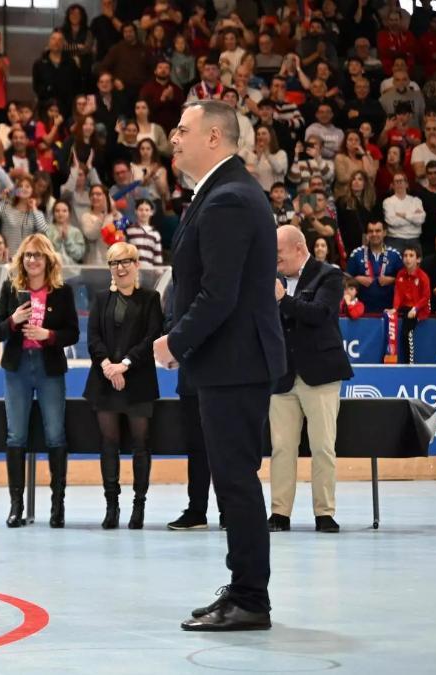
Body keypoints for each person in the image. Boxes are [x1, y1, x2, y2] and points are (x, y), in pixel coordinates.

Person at [154, 101, 285, 632]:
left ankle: (252, 598)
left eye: (182, 129)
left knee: (234, 482)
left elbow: (217, 294)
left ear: (214, 136)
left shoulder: (228, 198)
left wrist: (174, 343)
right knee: (233, 480)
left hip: (234, 361)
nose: (173, 136)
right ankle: (243, 585)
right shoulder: (220, 191)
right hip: (230, 361)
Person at [269, 226, 354, 534]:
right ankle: (279, 512)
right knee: (281, 447)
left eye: (278, 255)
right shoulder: (271, 280)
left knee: (322, 447)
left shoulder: (328, 275)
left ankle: (325, 512)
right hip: (282, 375)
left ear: (298, 248)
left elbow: (319, 313)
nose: (274, 261)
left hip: (320, 373)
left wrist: (282, 301)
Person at [0, 233, 79, 529]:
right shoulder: (10, 288)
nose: (32, 260)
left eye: (37, 255)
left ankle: (58, 506)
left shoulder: (62, 292)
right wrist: (13, 320)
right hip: (17, 368)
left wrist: (49, 336)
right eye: (28, 255)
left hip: (49, 367)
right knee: (15, 435)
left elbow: (73, 333)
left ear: (48, 260)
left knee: (56, 434)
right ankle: (16, 506)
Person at [86, 241, 163, 530]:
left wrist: (125, 364)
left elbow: (152, 336)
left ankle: (138, 505)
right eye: (114, 262)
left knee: (141, 444)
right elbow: (93, 337)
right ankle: (111, 505)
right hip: (105, 381)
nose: (120, 267)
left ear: (136, 264)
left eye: (125, 261)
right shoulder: (100, 298)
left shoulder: (150, 298)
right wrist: (107, 365)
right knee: (109, 444)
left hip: (138, 381)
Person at [345, 220, 403, 314]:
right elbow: (345, 280)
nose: (374, 234)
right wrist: (356, 279)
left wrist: (393, 280)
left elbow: (406, 280)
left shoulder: (394, 255)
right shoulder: (357, 253)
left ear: (384, 233)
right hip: (361, 311)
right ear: (367, 234)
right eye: (371, 231)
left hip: (389, 311)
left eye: (378, 231)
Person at [389, 245, 431, 363]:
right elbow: (398, 293)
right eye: (405, 256)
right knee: (389, 317)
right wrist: (395, 309)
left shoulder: (423, 277)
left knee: (406, 331)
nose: (408, 259)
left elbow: (426, 297)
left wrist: (416, 309)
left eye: (411, 256)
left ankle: (410, 362)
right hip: (406, 307)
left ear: (418, 259)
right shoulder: (400, 274)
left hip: (420, 308)